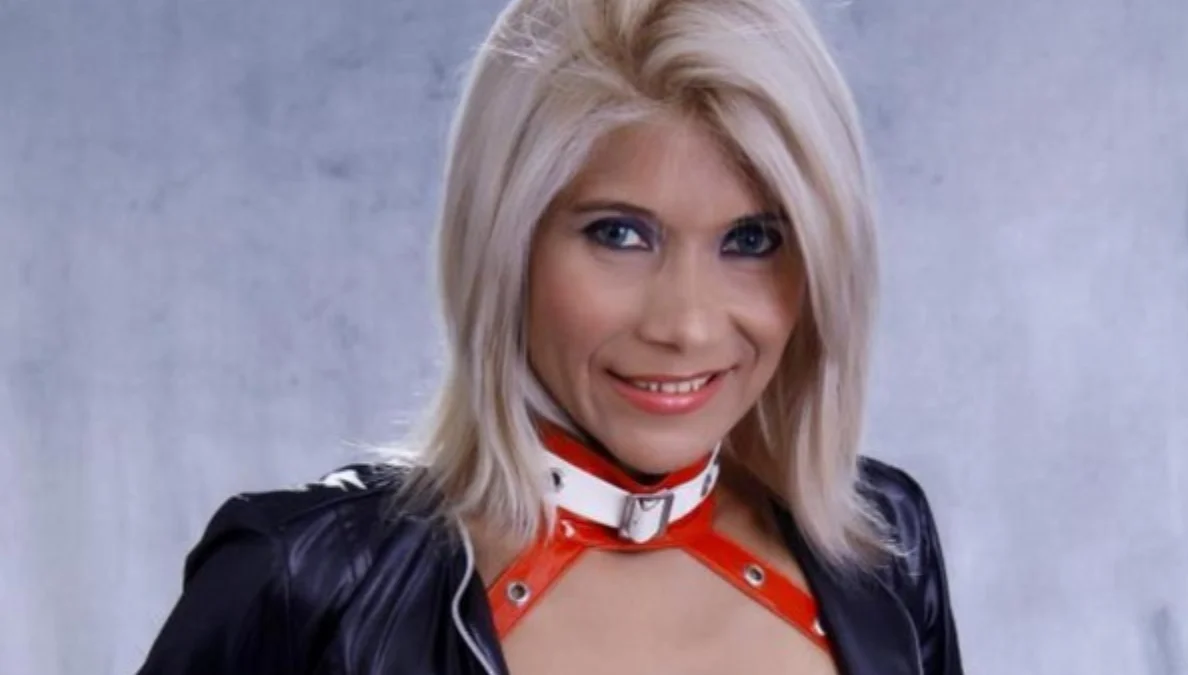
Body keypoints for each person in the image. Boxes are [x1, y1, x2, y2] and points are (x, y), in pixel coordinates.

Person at [137, 0, 964, 673]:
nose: (686, 324)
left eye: (751, 240)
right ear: (505, 240)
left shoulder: (879, 544)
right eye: (619, 234)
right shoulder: (306, 584)